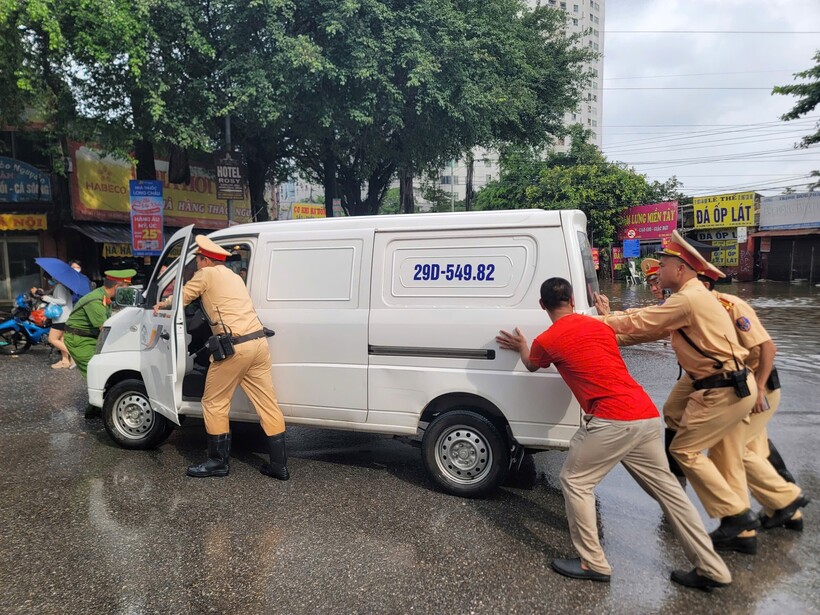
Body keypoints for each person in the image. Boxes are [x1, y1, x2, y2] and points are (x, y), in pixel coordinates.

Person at [496, 277, 732, 591]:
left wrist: (521, 346)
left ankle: (592, 562)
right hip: (645, 414)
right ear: (572, 300)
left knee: (576, 482)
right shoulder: (600, 326)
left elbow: (531, 365)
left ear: (542, 305)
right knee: (669, 493)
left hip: (611, 419)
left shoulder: (548, 339)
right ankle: (712, 568)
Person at [595, 231, 759, 549]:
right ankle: (737, 530)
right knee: (685, 423)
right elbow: (645, 327)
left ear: (680, 268)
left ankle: (737, 517)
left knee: (685, 450)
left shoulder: (687, 299)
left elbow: (642, 322)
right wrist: (608, 325)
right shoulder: (689, 297)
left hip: (723, 387)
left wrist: (596, 322)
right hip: (726, 382)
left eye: (664, 264)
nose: (659, 271)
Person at [153, 235, 288, 480]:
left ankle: (217, 462)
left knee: (214, 403)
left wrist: (162, 304)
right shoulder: (234, 277)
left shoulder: (206, 274)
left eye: (197, 260)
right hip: (258, 343)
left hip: (234, 348)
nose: (196, 265)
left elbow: (182, 299)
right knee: (267, 404)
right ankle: (279, 466)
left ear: (206, 260)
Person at [695, 263, 809, 537]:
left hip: (759, 389)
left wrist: (758, 388)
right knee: (753, 453)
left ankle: (784, 500)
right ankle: (788, 513)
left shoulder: (731, 306)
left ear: (705, 286)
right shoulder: (700, 311)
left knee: (732, 452)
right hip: (744, 390)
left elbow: (768, 347)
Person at [65, 269, 136, 415]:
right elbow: (104, 328)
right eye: (125, 287)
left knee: (101, 371)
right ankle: (96, 409)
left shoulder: (103, 296)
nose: (127, 291)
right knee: (94, 371)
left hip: (91, 337)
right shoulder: (95, 301)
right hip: (79, 340)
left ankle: (96, 408)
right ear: (117, 286)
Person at [32, 280, 75, 369]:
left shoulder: (60, 286)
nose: (49, 280)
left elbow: (62, 301)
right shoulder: (63, 286)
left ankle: (74, 356)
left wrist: (48, 299)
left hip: (61, 318)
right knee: (61, 339)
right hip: (64, 317)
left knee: (52, 339)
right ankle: (65, 361)